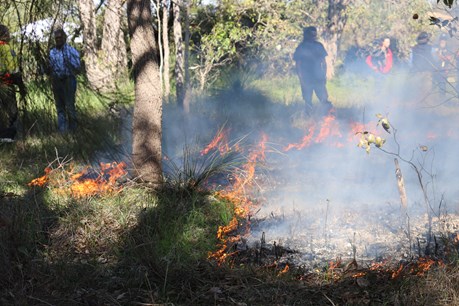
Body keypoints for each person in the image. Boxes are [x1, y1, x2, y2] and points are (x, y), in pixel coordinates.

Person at [293, 26, 333, 117]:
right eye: (311, 34)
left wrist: (324, 75)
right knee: (308, 101)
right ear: (306, 35)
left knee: (324, 99)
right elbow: (298, 65)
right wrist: (301, 79)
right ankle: (309, 118)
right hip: (306, 78)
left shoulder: (319, 46)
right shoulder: (301, 47)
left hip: (318, 77)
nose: (313, 36)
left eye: (314, 34)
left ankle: (328, 117)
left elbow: (324, 62)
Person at [49, 28, 80, 132]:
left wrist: (68, 64)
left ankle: (73, 130)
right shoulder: (52, 52)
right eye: (56, 38)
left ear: (64, 38)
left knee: (70, 105)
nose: (58, 39)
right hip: (56, 81)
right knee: (60, 107)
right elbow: (49, 67)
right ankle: (62, 131)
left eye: (60, 37)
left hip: (69, 80)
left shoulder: (71, 51)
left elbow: (77, 66)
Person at [0, 24, 20, 141]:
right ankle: (7, 136)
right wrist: (18, 80)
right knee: (11, 111)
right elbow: (13, 69)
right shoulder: (6, 48)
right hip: (6, 84)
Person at [409, 32, 436, 97]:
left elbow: (410, 62)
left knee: (415, 92)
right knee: (426, 92)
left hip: (416, 72)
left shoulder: (413, 49)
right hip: (427, 72)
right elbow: (435, 59)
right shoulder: (431, 48)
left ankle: (416, 105)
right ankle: (425, 104)